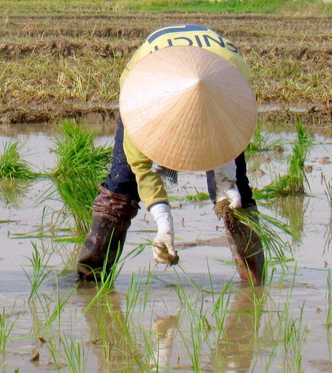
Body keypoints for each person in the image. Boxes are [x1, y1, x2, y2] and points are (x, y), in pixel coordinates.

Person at [76, 24, 263, 285]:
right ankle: (90, 279)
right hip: (153, 74)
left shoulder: (234, 82)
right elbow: (143, 169)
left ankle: (254, 285)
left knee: (238, 196)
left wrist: (228, 186)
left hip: (216, 79)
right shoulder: (139, 97)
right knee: (121, 186)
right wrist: (164, 226)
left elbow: (227, 138)